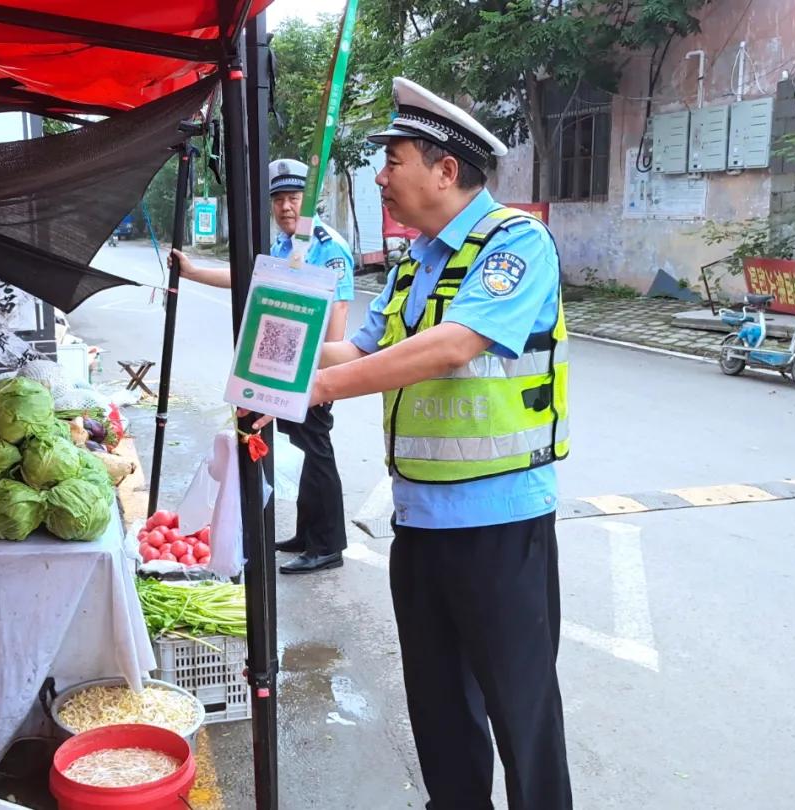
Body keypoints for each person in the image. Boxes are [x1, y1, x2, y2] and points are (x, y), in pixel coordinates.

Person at [246, 78, 572, 808]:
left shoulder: (515, 244)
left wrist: (320, 391)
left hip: (501, 524)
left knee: (523, 717)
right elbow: (354, 350)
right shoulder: (414, 262)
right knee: (439, 711)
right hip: (420, 525)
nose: (380, 177)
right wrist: (271, 369)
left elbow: (453, 346)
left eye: (392, 161)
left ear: (444, 168)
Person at [170, 159, 356, 574]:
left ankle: (327, 545)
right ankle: (308, 534)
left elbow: (339, 310)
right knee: (308, 449)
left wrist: (324, 375)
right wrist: (194, 271)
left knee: (318, 451)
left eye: (293, 199)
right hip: (288, 369)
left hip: (312, 371)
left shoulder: (327, 245)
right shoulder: (286, 247)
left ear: (309, 203)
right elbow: (251, 278)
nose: (286, 207)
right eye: (279, 200)